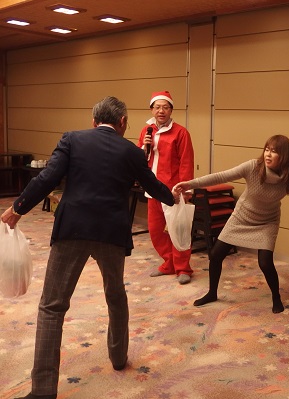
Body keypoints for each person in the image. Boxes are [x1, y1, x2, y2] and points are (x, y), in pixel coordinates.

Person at [1, 96, 175, 399]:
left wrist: (18, 208)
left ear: (94, 121)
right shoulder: (132, 152)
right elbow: (153, 185)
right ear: (122, 123)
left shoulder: (72, 139)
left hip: (72, 229)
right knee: (115, 296)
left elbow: (47, 178)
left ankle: (43, 390)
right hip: (112, 233)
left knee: (52, 306)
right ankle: (118, 357)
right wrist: (176, 197)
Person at [173, 134, 289, 314]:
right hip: (241, 217)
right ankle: (212, 293)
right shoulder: (253, 167)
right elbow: (221, 176)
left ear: (284, 156)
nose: (268, 154)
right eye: (267, 149)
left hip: (267, 221)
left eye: (274, 151)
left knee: (265, 262)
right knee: (215, 254)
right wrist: (190, 184)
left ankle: (276, 297)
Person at [138, 91, 195, 284]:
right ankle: (169, 263)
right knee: (156, 230)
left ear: (171, 110)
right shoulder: (146, 131)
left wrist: (185, 190)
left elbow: (186, 162)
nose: (161, 111)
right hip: (152, 189)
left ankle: (183, 268)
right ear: (151, 110)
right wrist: (144, 148)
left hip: (173, 190)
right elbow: (139, 160)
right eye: (157, 107)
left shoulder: (181, 132)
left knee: (177, 230)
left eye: (165, 107)